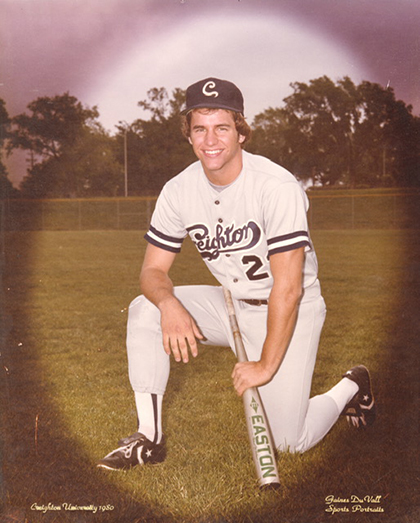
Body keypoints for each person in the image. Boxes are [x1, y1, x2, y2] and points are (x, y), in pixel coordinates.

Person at [97, 77, 375, 470]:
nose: (211, 140)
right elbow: (152, 270)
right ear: (190, 135)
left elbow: (289, 288)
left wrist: (264, 366)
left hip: (290, 310)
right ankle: (149, 437)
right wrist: (169, 303)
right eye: (200, 129)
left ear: (240, 132)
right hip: (229, 305)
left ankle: (352, 385)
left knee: (288, 442)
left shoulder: (275, 186)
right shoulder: (178, 190)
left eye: (222, 127)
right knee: (146, 308)